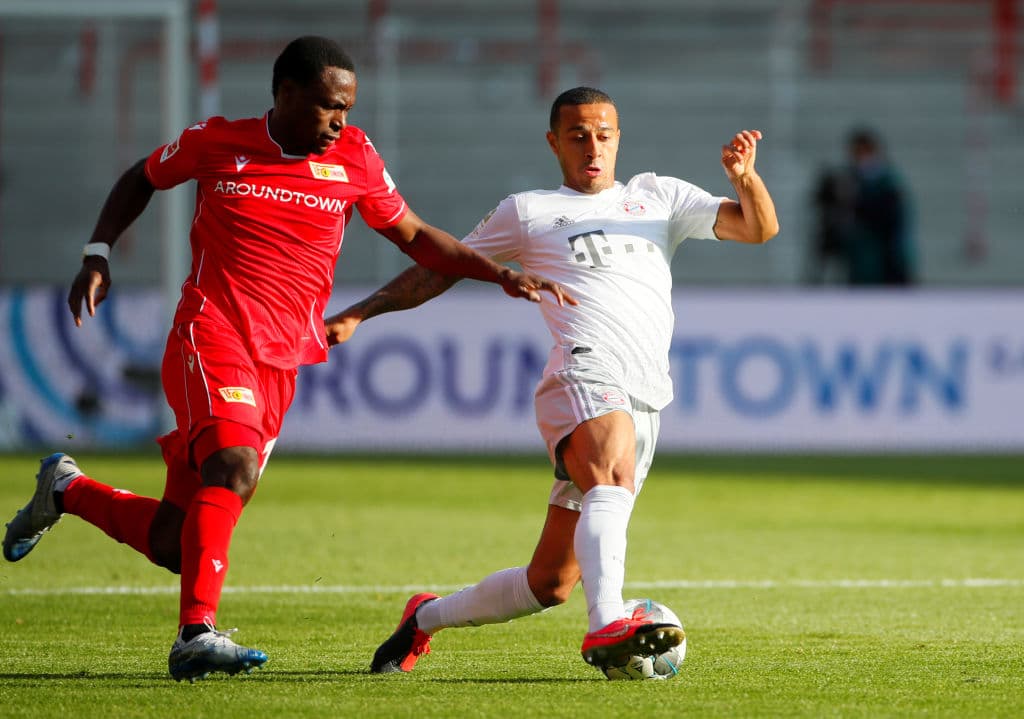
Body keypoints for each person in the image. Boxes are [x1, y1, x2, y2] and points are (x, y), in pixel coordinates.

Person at [2, 36, 570, 682]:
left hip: (281, 361)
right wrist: (97, 249)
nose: (340, 122)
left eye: (348, 109)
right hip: (211, 334)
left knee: (173, 541)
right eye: (329, 107)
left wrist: (496, 273)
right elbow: (142, 176)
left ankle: (66, 489)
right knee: (234, 464)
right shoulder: (219, 142)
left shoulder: (354, 157)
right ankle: (196, 634)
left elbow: (413, 235)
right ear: (285, 94)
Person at [323, 86, 779, 674]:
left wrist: (745, 178)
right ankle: (607, 621)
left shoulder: (659, 196)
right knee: (610, 474)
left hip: (646, 391)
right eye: (578, 136)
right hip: (583, 369)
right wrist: (361, 311)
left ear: (619, 138)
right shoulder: (529, 210)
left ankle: (425, 617)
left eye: (604, 135)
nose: (593, 147)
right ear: (554, 143)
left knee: (550, 582)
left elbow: (758, 229)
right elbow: (442, 267)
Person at [807, 127, 914, 285]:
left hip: (886, 263)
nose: (859, 159)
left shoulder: (889, 183)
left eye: (863, 152)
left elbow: (888, 219)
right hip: (858, 264)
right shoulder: (850, 179)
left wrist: (854, 200)